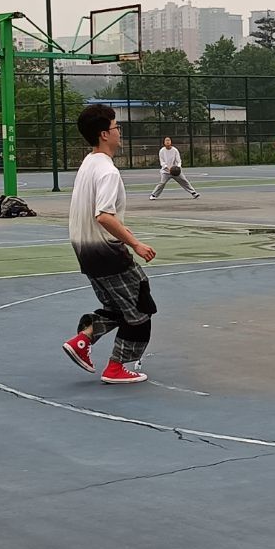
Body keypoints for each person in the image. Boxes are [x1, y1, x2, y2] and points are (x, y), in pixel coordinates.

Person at [61, 104, 159, 385]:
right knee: (140, 307)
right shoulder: (108, 171)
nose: (119, 132)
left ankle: (83, 340)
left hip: (85, 250)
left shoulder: (89, 163)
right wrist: (135, 244)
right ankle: (116, 366)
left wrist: (121, 229)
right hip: (105, 252)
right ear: (104, 134)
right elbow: (103, 215)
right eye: (117, 127)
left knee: (119, 306)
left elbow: (99, 213)